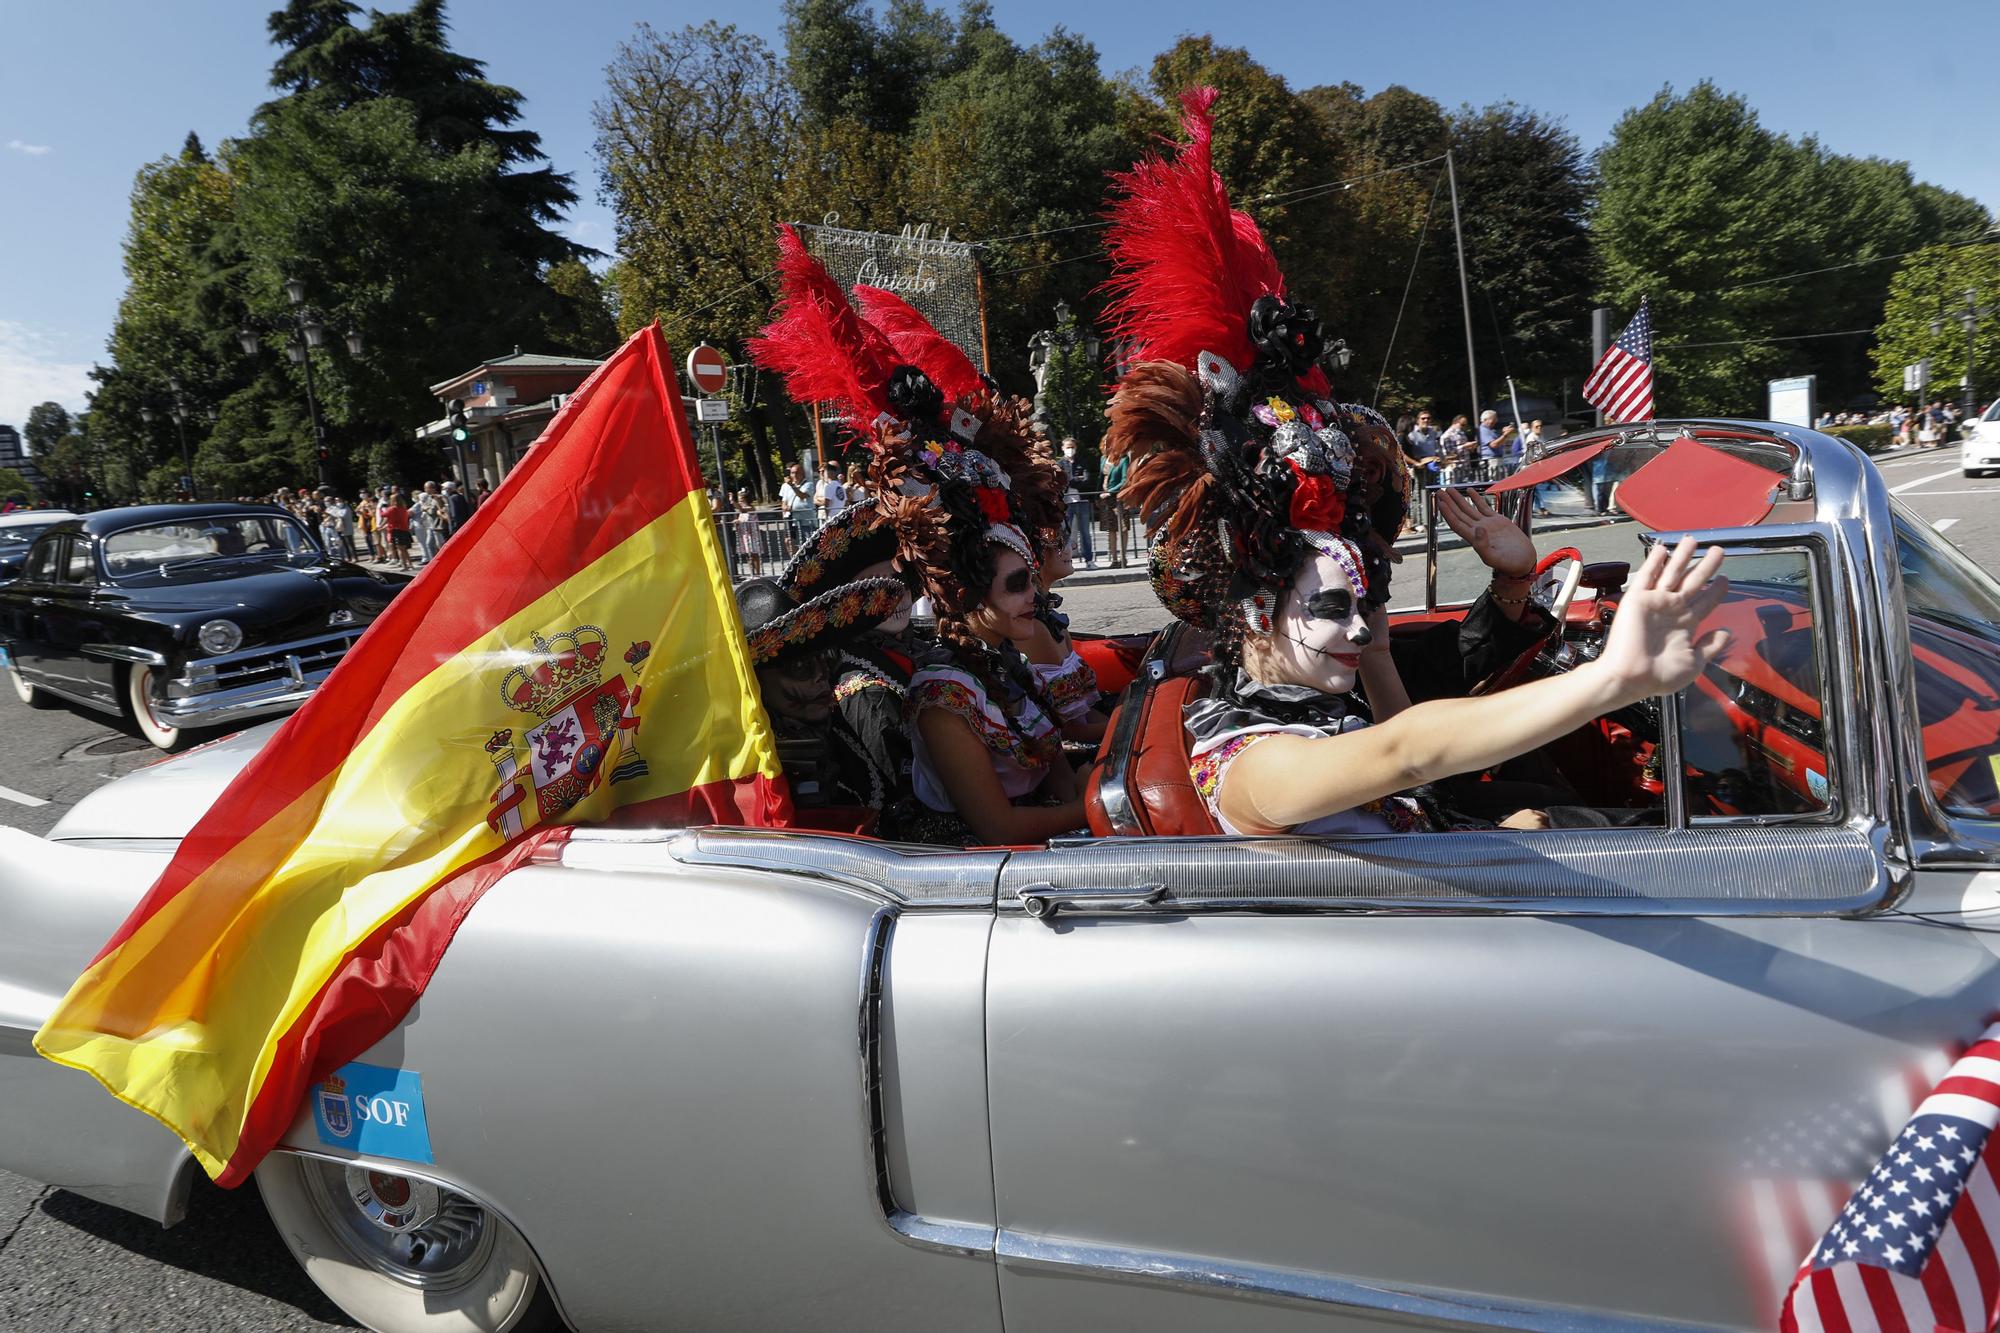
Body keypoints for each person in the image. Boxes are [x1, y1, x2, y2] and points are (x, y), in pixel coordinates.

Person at [749, 222, 1080, 845]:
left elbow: (1060, 766)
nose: (816, 679)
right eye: (1018, 583)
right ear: (969, 592)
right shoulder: (938, 695)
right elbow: (995, 825)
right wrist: (1106, 804)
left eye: (1031, 579)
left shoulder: (1000, 666)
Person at [737, 575, 909, 817]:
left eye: (827, 658)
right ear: (754, 681)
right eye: (800, 667)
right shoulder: (745, 766)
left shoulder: (844, 731)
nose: (821, 676)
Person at [1011, 535, 1108, 748]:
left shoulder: (1049, 619)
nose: (1072, 546)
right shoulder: (1034, 630)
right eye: (1060, 540)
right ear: (1036, 555)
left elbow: (1085, 713)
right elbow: (1070, 731)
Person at [1059, 437, 1096, 569]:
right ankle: (1066, 561)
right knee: (1065, 533)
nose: (1070, 449)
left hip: (1082, 501)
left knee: (1085, 533)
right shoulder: (1060, 464)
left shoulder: (1082, 462)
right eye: (1068, 447)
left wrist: (1071, 480)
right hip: (1067, 503)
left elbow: (1086, 481)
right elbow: (1061, 482)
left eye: (1072, 447)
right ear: (1063, 448)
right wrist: (1076, 479)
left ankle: (1089, 560)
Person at [1100, 448, 1130, 567]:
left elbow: (1124, 480)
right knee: (1111, 529)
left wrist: (1110, 491)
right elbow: (1101, 477)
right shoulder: (1103, 459)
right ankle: (1114, 559)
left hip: (1119, 497)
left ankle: (1123, 558)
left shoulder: (1123, 459)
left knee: (1122, 528)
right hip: (1106, 499)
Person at [779, 462, 814, 548]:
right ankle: (795, 560)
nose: (794, 475)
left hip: (805, 519)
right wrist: (785, 507)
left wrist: (792, 486)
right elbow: (783, 503)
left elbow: (802, 496)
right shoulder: (787, 486)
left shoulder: (808, 484)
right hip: (792, 518)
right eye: (792, 473)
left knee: (808, 542)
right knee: (789, 541)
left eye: (797, 472)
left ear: (802, 473)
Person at [380, 490, 414, 571]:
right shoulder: (403, 508)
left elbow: (383, 515)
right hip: (404, 530)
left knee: (400, 549)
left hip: (396, 531)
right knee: (404, 549)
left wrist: (381, 508)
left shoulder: (392, 509)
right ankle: (410, 564)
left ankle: (404, 566)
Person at [734, 489, 764, 577]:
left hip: (752, 534)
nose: (740, 502)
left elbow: (743, 510)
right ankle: (752, 574)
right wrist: (737, 522)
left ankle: (757, 574)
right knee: (748, 555)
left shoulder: (751, 507)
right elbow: (741, 518)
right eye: (739, 500)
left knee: (754, 554)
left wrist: (733, 501)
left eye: (741, 500)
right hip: (744, 534)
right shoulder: (742, 510)